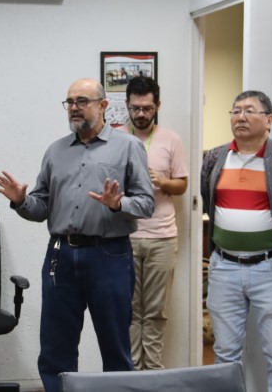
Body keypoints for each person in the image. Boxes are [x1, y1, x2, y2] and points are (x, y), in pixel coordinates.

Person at [0, 78, 154, 392]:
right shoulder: (56, 151)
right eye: (70, 102)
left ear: (103, 105)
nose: (74, 108)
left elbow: (146, 204)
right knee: (56, 346)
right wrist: (21, 201)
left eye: (82, 101)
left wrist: (119, 204)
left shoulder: (128, 147)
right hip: (61, 256)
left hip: (110, 255)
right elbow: (41, 207)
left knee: (115, 345)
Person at [201, 90, 272, 392]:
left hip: (270, 268)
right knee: (225, 353)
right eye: (235, 111)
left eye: (249, 110)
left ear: (268, 119)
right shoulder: (214, 158)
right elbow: (208, 198)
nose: (240, 117)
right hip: (224, 267)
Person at [119, 77, 188, 370]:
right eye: (135, 108)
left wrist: (161, 181)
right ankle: (133, 371)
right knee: (129, 309)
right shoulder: (115, 138)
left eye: (147, 108)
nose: (141, 114)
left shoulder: (171, 139)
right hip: (125, 236)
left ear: (157, 106)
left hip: (162, 237)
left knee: (156, 310)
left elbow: (182, 185)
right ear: (127, 105)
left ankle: (153, 371)